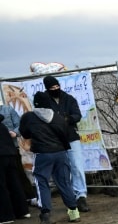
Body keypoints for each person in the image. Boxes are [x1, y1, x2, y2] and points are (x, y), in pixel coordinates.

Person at [19, 104, 79, 224]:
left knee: (41, 182)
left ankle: (45, 214)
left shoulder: (29, 117)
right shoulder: (58, 117)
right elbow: (65, 133)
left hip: (42, 154)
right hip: (61, 152)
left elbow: (24, 133)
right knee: (64, 181)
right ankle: (74, 212)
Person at [32, 76, 89, 212]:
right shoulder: (44, 99)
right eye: (52, 88)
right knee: (62, 171)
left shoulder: (69, 98)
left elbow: (77, 115)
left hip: (70, 136)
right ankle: (70, 199)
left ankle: (81, 196)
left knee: (77, 166)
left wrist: (67, 119)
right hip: (55, 139)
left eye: (57, 86)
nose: (55, 89)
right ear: (47, 88)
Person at [0, 116, 30, 224]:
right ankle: (22, 211)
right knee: (15, 183)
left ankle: (5, 216)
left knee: (1, 187)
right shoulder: (3, 126)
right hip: (11, 155)